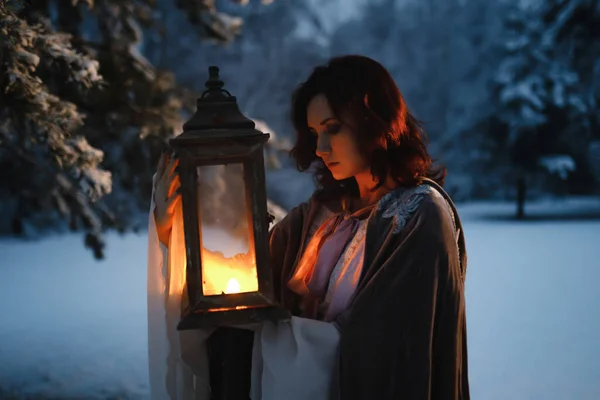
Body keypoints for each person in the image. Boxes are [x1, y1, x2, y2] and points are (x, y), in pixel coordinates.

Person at [148, 55, 469, 400]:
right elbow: (233, 283)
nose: (321, 148)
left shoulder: (420, 216)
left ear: (373, 120)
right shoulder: (318, 216)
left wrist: (272, 341)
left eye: (333, 129)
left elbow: (390, 352)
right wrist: (175, 232)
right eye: (315, 133)